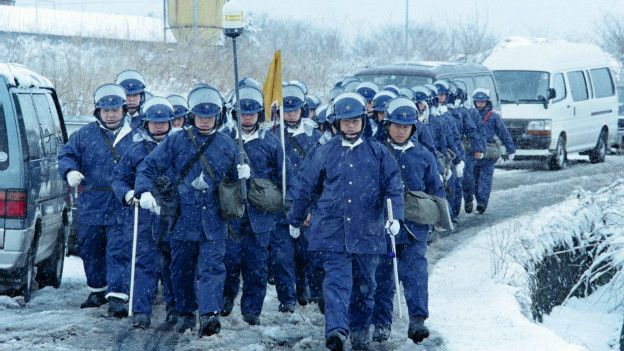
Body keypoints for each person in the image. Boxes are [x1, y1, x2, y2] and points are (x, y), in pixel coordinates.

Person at [287, 92, 404, 351]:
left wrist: (395, 216)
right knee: (336, 283)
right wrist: (295, 218)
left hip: (368, 231)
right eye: (345, 121)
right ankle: (337, 331)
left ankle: (360, 330)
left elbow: (393, 188)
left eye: (355, 121)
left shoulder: (379, 153)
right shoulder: (324, 152)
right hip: (332, 230)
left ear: (363, 121)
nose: (350, 126)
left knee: (365, 285)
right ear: (336, 124)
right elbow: (306, 188)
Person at [134, 84, 245, 336]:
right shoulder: (175, 142)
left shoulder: (228, 145)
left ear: (219, 116)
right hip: (183, 218)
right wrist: (145, 191)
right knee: (181, 269)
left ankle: (209, 314)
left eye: (210, 116)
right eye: (200, 116)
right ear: (192, 116)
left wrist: (243, 175)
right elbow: (148, 168)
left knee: (213, 268)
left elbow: (237, 182)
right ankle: (185, 311)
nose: (205, 121)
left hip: (215, 219)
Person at [370, 97, 446, 344]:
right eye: (396, 125)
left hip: (414, 228)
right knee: (382, 276)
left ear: (413, 128)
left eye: (406, 126)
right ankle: (381, 323)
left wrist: (435, 220)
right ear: (387, 125)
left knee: (415, 272)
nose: (401, 131)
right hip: (382, 225)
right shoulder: (375, 151)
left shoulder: (423, 155)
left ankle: (417, 320)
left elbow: (436, 190)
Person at [58, 83, 134, 317]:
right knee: (90, 248)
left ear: (124, 110)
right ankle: (97, 289)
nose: (110, 114)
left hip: (122, 202)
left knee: (118, 250)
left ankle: (118, 296)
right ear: (98, 111)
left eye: (115, 109)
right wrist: (69, 170)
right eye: (105, 110)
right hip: (91, 201)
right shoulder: (84, 135)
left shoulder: (135, 136)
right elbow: (66, 154)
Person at [221, 86, 285, 325]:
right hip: (231, 212)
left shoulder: (271, 143)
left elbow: (281, 178)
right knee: (228, 259)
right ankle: (225, 298)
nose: (247, 117)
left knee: (256, 265)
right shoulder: (225, 139)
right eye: (243, 113)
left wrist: (255, 177)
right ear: (235, 114)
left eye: (252, 113)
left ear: (260, 114)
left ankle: (251, 309)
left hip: (260, 215)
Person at [111, 97, 175, 328]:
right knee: (144, 262)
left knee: (173, 264)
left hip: (173, 216)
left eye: (163, 122)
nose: (158, 127)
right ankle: (141, 310)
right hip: (143, 216)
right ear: (146, 123)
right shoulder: (135, 150)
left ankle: (175, 309)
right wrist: (128, 194)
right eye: (154, 123)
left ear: (170, 123)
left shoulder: (180, 146)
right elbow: (118, 178)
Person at [270, 83, 322, 312]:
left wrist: (312, 207)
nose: (291, 114)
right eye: (286, 110)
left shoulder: (316, 137)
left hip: (309, 204)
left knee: (310, 253)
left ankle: (309, 289)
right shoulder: (270, 136)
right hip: (282, 204)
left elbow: (322, 174)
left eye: (295, 109)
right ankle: (287, 298)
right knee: (282, 256)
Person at [467, 88, 516, 214]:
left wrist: (510, 148)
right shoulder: (468, 115)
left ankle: (482, 203)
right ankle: (475, 200)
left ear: (487, 102)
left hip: (489, 152)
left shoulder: (494, 117)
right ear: (474, 102)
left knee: (485, 179)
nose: (480, 104)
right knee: (473, 179)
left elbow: (503, 133)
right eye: (478, 102)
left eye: (482, 102)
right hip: (473, 151)